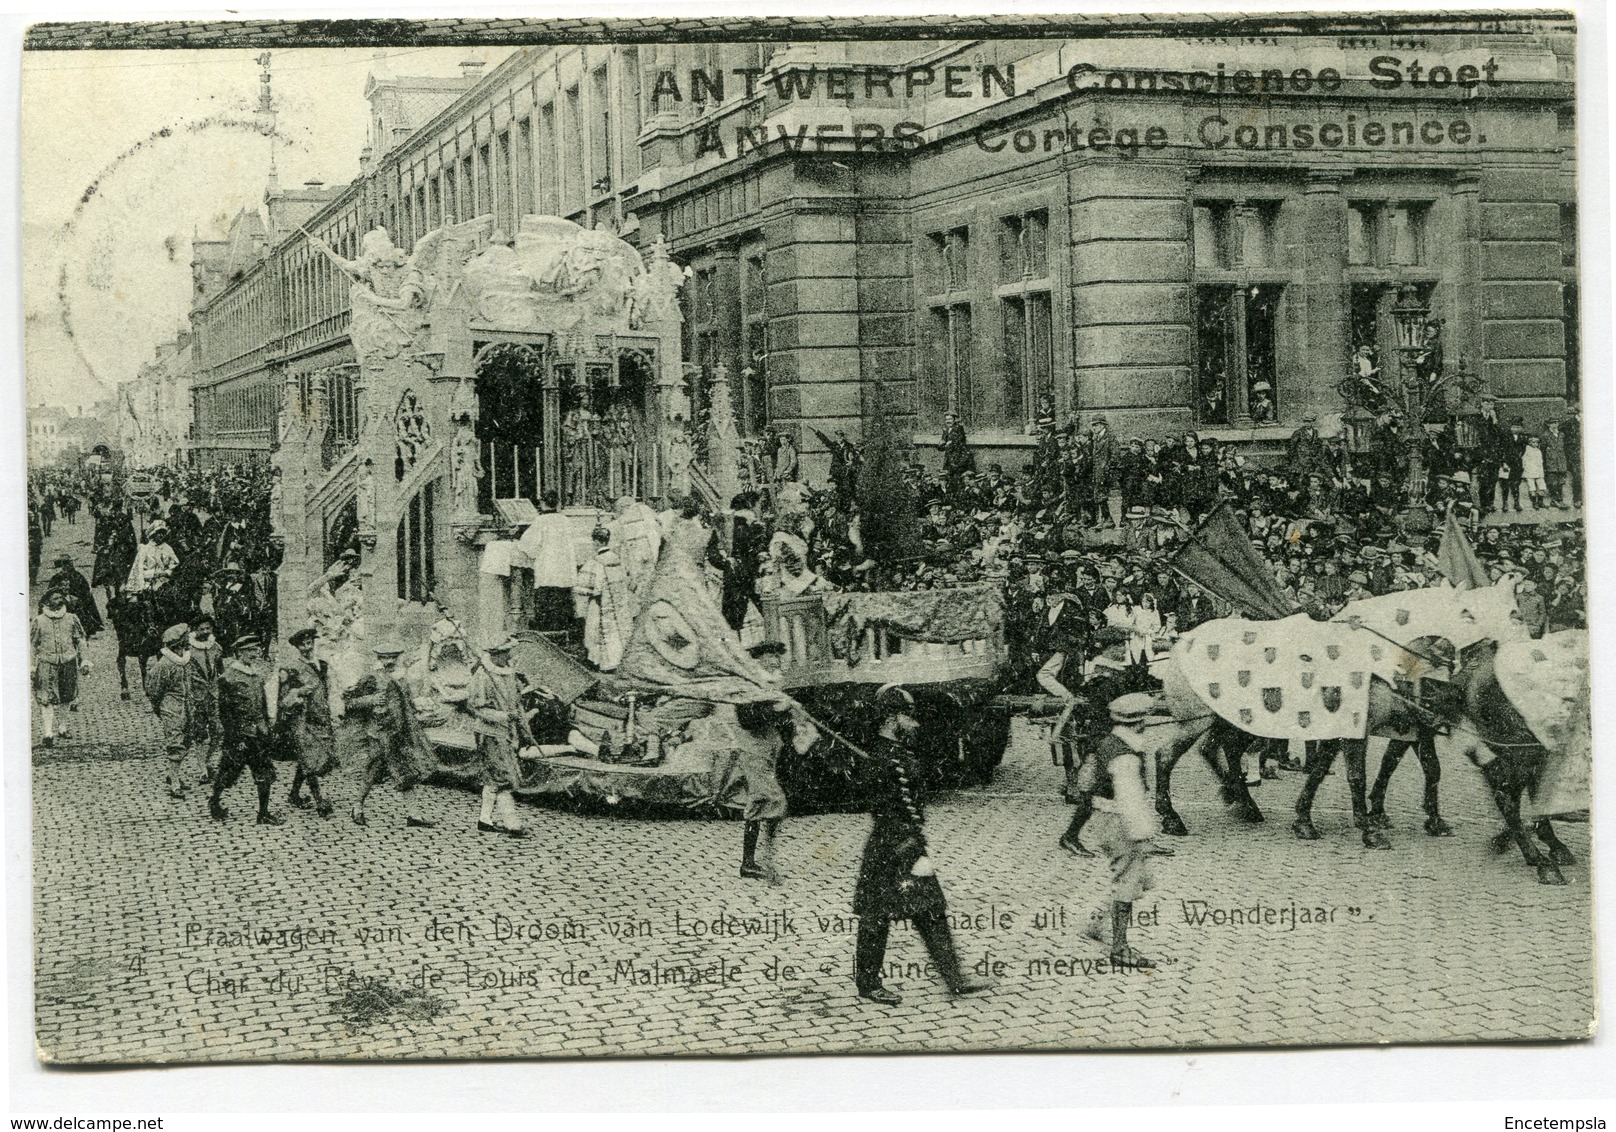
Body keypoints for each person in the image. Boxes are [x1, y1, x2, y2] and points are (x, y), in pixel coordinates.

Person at [852, 684, 994, 1005]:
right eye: (908, 717)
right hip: (891, 846)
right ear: (891, 719)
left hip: (906, 841)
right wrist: (910, 849)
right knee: (877, 914)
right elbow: (886, 809)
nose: (914, 725)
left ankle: (954, 979)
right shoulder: (883, 759)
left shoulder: (896, 754)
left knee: (930, 909)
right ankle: (868, 983)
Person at [1081, 692, 1160, 968]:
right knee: (1128, 881)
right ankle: (1120, 947)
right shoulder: (1126, 757)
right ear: (1140, 722)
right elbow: (1130, 801)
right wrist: (1143, 836)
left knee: (1134, 877)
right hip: (1119, 822)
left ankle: (1098, 923)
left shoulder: (1110, 742)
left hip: (1104, 817)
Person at [346, 640, 434, 829]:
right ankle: (357, 807)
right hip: (378, 733)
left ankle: (413, 814)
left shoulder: (401, 678)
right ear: (379, 658)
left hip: (398, 732)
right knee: (372, 771)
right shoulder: (371, 677)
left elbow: (406, 703)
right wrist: (371, 699)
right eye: (386, 657)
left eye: (393, 657)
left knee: (405, 770)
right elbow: (351, 702)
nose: (390, 661)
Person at [208, 633, 283, 825]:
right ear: (240, 653)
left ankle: (263, 813)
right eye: (250, 651)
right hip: (240, 737)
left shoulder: (256, 676)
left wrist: (267, 727)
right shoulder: (228, 678)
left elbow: (263, 706)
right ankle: (214, 801)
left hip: (258, 734)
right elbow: (226, 713)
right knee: (228, 772)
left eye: (256, 650)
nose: (255, 654)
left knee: (264, 773)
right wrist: (236, 739)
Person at [735, 641, 792, 882]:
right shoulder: (748, 686)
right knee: (770, 800)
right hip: (753, 750)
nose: (775, 661)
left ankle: (755, 861)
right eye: (769, 657)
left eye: (777, 657)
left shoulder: (770, 686)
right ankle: (756, 861)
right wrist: (778, 710)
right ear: (758, 661)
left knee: (763, 803)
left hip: (768, 750)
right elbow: (747, 719)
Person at [469, 634, 532, 837]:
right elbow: (479, 710)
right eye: (505, 653)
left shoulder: (509, 673)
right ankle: (512, 823)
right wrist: (505, 715)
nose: (508, 656)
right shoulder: (483, 675)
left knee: (494, 778)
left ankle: (484, 820)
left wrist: (523, 726)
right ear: (495, 654)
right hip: (489, 733)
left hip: (507, 732)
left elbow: (517, 703)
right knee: (503, 776)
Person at [279, 626, 337, 817]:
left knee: (309, 759)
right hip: (301, 720)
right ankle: (321, 802)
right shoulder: (291, 668)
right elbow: (283, 699)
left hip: (320, 719)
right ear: (297, 647)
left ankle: (294, 794)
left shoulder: (322, 665)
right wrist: (299, 692)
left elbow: (327, 692)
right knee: (309, 759)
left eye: (309, 643)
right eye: (302, 644)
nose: (306, 647)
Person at [32, 588, 88, 748]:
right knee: (46, 698)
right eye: (55, 598)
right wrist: (31, 665)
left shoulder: (71, 618)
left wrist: (85, 660)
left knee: (67, 696)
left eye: (61, 597)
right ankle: (48, 733)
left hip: (68, 662)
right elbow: (32, 644)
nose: (59, 600)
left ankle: (63, 728)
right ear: (47, 602)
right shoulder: (39, 621)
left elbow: (80, 641)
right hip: (46, 664)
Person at [146, 622, 197, 799]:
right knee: (175, 743)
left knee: (188, 739)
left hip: (188, 706)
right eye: (186, 638)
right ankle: (174, 782)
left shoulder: (186, 660)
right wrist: (160, 707)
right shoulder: (164, 664)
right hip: (172, 707)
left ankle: (172, 774)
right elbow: (153, 689)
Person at [517, 490, 580, 632]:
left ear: (542, 503)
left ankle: (548, 634)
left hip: (548, 569)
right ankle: (565, 635)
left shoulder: (541, 521)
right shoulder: (565, 520)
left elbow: (527, 545)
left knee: (547, 604)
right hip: (564, 570)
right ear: (558, 503)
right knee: (564, 602)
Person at [573, 526, 633, 671]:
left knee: (595, 633)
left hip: (600, 604)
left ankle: (601, 662)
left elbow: (585, 587)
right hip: (617, 604)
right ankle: (618, 660)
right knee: (617, 632)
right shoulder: (617, 560)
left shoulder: (596, 562)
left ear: (597, 542)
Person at [186, 614, 225, 784]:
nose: (205, 631)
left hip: (214, 695)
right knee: (200, 733)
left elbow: (221, 671)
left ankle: (208, 761)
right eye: (201, 628)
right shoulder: (188, 649)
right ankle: (202, 768)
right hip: (196, 697)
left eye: (208, 628)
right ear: (195, 630)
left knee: (218, 730)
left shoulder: (216, 647)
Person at [44, 553, 103, 637]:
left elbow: (86, 593)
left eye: (69, 563)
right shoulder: (56, 578)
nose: (68, 566)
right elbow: (50, 593)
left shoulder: (78, 576)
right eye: (65, 564)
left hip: (77, 604)